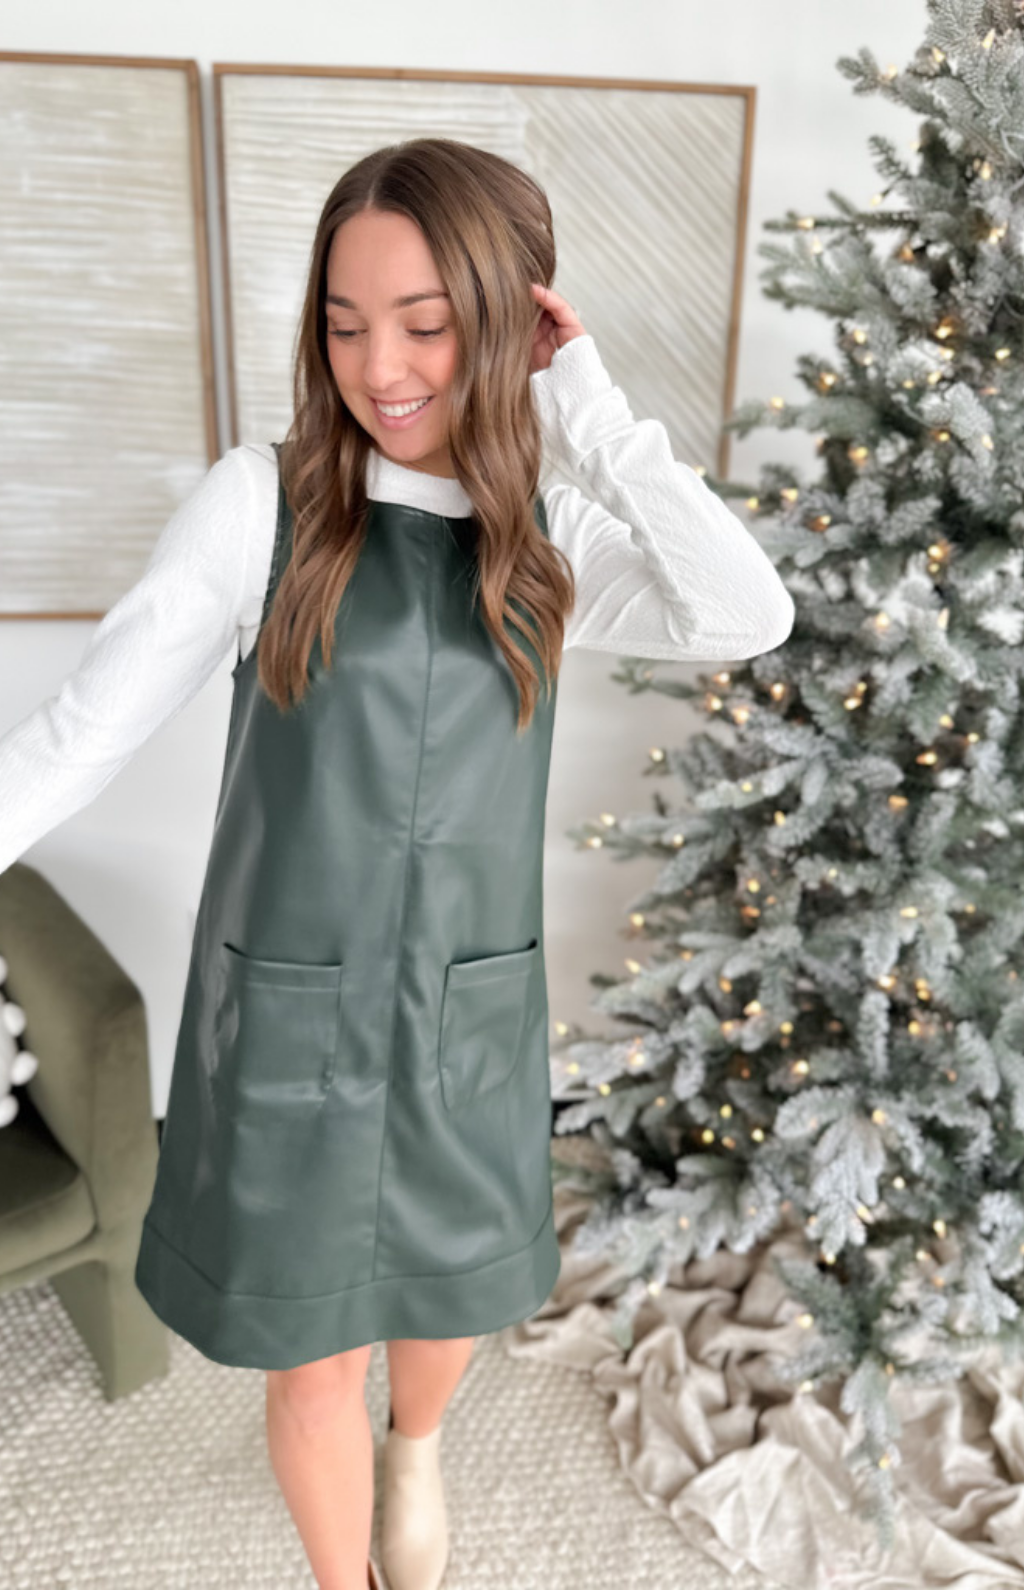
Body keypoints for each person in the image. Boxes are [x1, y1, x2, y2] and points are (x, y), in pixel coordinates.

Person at [0, 138, 794, 1590]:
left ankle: (416, 1446)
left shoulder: (545, 534)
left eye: (426, 324)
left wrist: (590, 404)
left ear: (504, 318)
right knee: (310, 1361)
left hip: (464, 1012)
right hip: (288, 1021)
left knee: (446, 1302)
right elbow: (79, 733)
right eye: (346, 323)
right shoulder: (262, 505)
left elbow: (746, 613)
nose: (381, 367)